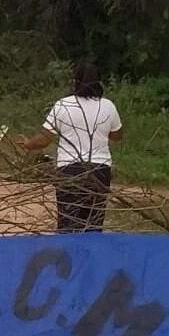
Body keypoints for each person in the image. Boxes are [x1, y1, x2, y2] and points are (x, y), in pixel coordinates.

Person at [17, 63, 123, 233]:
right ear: (99, 83)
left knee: (68, 224)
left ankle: (69, 258)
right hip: (100, 171)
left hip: (70, 171)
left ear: (75, 82)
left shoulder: (63, 105)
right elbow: (117, 136)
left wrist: (29, 143)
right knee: (93, 226)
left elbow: (45, 139)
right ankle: (90, 258)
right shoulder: (108, 106)